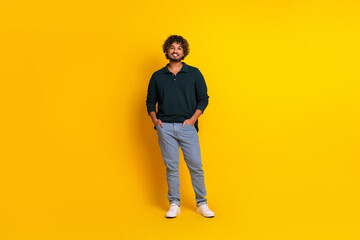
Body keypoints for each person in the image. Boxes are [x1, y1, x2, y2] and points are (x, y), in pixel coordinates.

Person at [146, 35, 215, 218]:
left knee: (195, 166)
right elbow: (150, 101)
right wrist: (155, 121)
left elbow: (203, 99)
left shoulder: (194, 73)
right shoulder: (157, 76)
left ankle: (202, 203)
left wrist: (192, 120)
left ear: (184, 52)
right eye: (172, 47)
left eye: (179, 48)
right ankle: (174, 204)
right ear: (167, 50)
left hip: (187, 127)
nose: (175, 50)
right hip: (165, 127)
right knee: (172, 167)